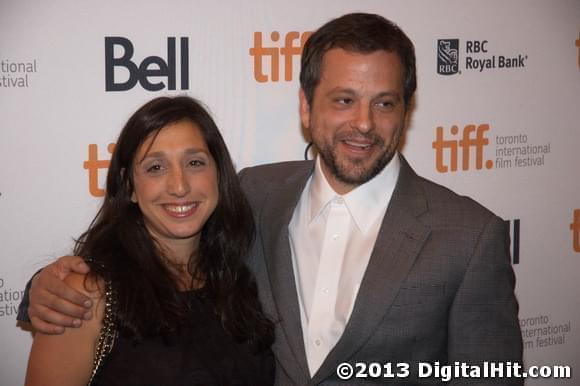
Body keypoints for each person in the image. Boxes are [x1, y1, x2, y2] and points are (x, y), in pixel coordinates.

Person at [20, 13, 522, 385]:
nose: (364, 123)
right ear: (307, 106)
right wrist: (45, 289)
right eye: (344, 100)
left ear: (405, 110)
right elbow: (143, 267)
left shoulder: (469, 237)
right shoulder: (257, 195)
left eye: (384, 103)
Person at [23, 96, 275, 386]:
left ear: (219, 173)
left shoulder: (239, 279)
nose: (179, 186)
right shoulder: (86, 296)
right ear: (129, 185)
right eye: (155, 168)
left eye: (194, 163)